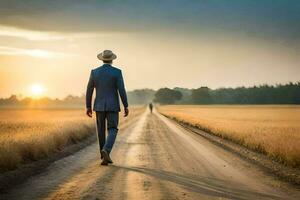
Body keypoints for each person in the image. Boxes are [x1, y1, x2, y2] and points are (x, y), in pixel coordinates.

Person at [86, 50, 129, 166]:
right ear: (112, 60)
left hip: (99, 106)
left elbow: (89, 90)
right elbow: (122, 90)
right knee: (113, 129)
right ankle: (106, 150)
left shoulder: (94, 72)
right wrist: (126, 105)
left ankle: (103, 157)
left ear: (102, 59)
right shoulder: (117, 72)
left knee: (100, 131)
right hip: (113, 106)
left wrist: (88, 107)